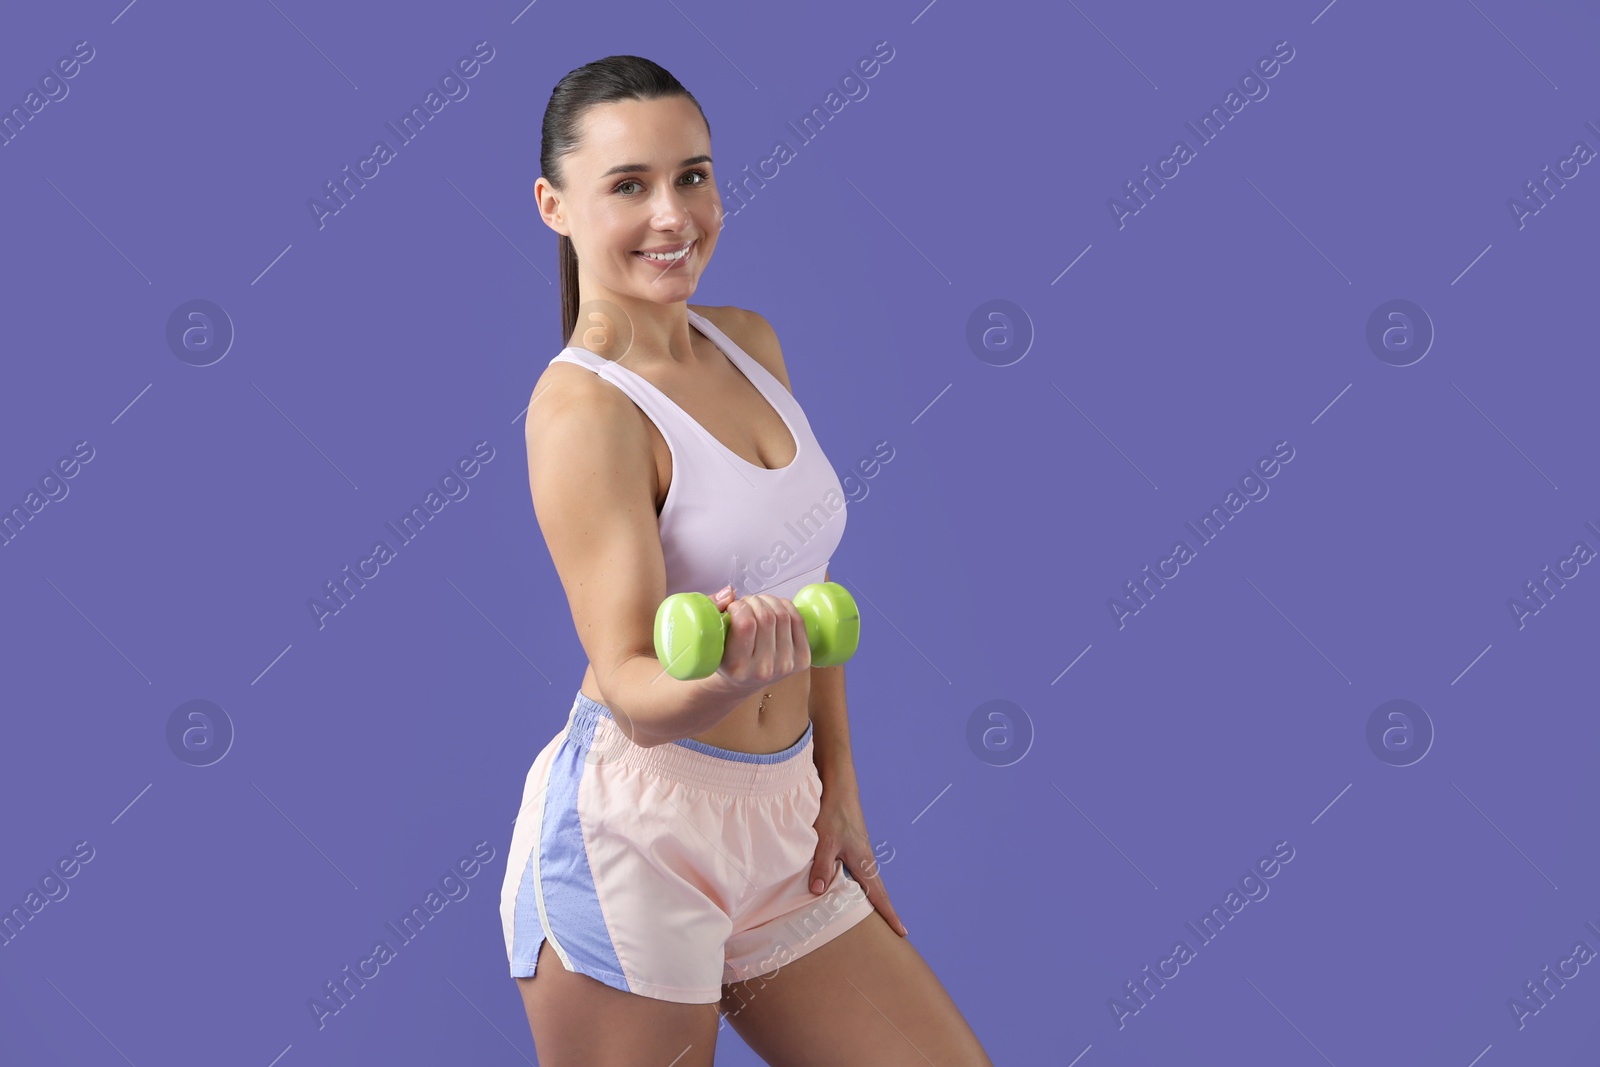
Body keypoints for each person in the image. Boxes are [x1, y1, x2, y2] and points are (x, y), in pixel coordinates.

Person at [498, 55, 993, 1067]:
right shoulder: (583, 409)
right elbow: (636, 687)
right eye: (628, 185)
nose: (674, 214)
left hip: (784, 817)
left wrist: (837, 779)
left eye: (693, 175)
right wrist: (724, 675)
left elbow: (807, 590)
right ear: (554, 205)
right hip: (637, 838)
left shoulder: (748, 342)